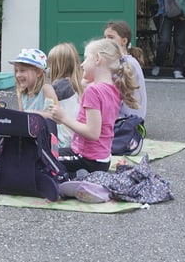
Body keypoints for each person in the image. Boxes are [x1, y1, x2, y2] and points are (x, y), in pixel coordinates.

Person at [49, 38, 139, 175]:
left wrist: (63, 118)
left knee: (44, 158)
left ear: (97, 59)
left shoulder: (93, 91)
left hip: (85, 157)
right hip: (102, 159)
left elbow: (92, 133)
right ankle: (80, 176)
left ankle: (77, 177)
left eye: (85, 59)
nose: (82, 65)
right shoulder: (114, 87)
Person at [103, 20, 147, 123]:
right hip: (129, 117)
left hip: (126, 120)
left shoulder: (126, 63)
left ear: (124, 41)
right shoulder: (125, 60)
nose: (106, 41)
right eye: (104, 37)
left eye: (111, 37)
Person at [47, 43, 83, 148]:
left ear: (56, 66)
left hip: (64, 139)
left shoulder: (58, 87)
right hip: (77, 135)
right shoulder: (79, 84)